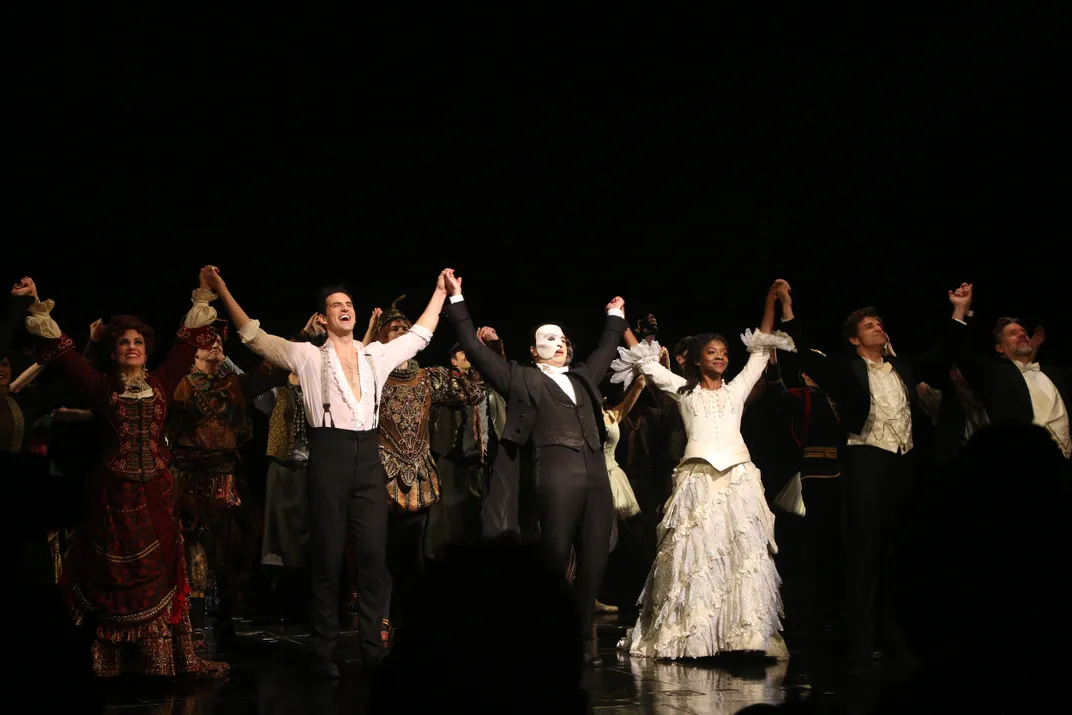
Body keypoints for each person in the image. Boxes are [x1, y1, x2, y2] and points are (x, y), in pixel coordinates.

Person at [201, 265, 450, 678]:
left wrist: (441, 291)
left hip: (369, 458)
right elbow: (254, 336)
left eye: (349, 304)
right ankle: (323, 651)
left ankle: (374, 648)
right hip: (329, 457)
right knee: (327, 559)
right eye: (336, 305)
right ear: (324, 317)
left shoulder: (376, 355)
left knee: (373, 558)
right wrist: (223, 288)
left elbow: (420, 334)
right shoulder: (307, 356)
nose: (345, 309)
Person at [441, 269, 626, 666]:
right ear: (533, 350)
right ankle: (546, 637)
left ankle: (582, 638)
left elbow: (606, 351)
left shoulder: (582, 377)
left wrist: (615, 317)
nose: (558, 344)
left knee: (595, 556)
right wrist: (456, 300)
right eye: (549, 338)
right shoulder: (521, 377)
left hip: (595, 472)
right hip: (555, 471)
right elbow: (475, 350)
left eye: (562, 339)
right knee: (555, 554)